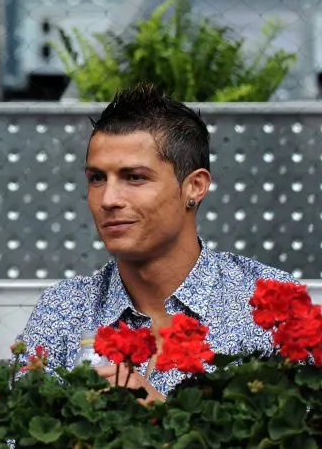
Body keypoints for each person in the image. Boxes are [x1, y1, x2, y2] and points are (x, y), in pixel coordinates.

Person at [17, 84, 295, 398]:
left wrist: (160, 423)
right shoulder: (63, 307)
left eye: (134, 177)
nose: (108, 199)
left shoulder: (267, 302)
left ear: (195, 187)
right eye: (97, 178)